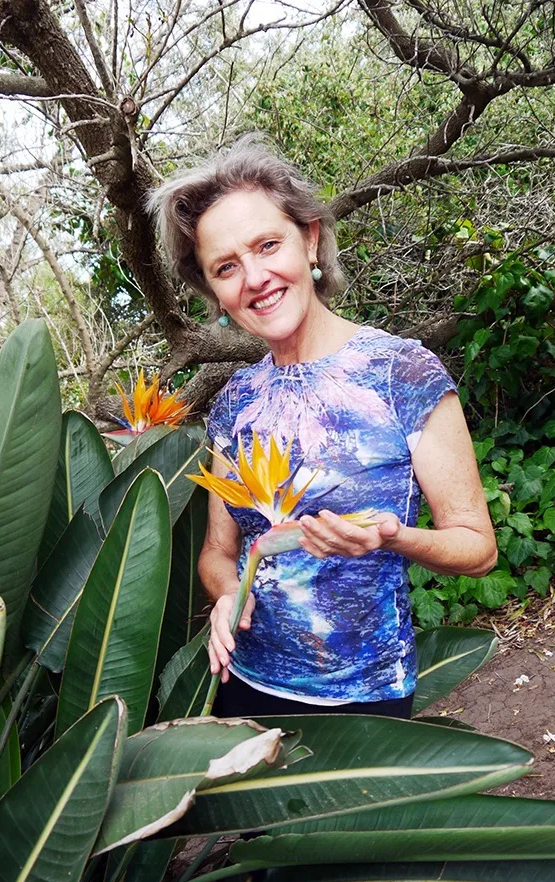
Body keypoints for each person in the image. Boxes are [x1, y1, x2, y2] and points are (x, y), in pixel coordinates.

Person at [150, 137, 497, 719]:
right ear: (213, 292)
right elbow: (217, 552)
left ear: (310, 238)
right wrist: (227, 594)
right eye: (226, 267)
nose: (255, 277)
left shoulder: (402, 372)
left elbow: (478, 548)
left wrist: (391, 537)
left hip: (364, 699)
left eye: (267, 245)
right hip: (242, 686)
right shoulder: (236, 402)